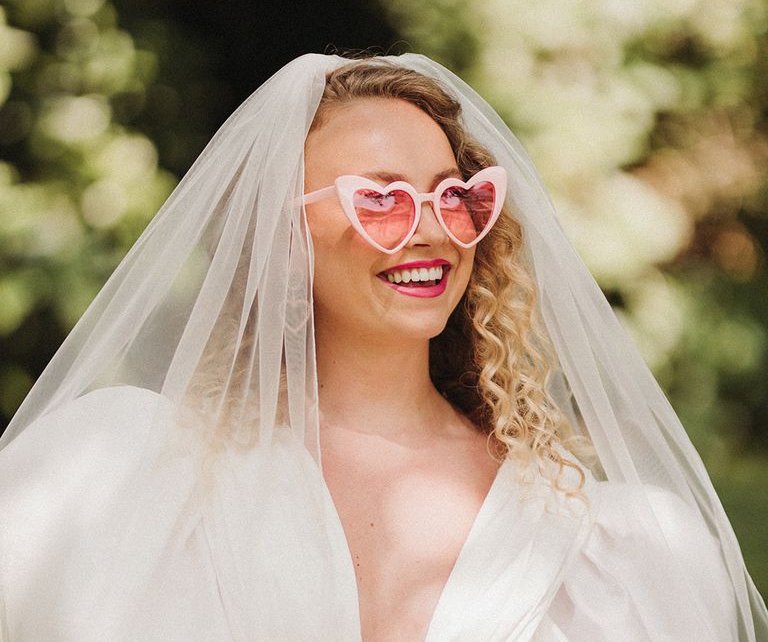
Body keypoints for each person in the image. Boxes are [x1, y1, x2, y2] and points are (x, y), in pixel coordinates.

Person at [0, 53, 765, 641]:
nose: (431, 228)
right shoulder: (123, 474)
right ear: (279, 235)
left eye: (454, 195)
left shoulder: (614, 549)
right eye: (380, 198)